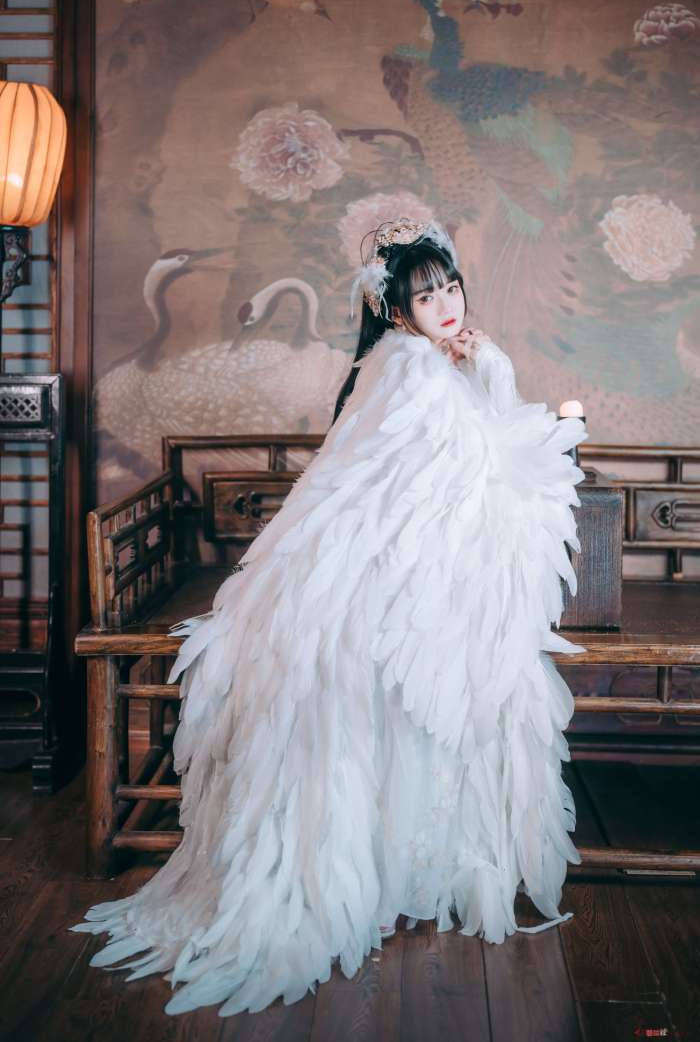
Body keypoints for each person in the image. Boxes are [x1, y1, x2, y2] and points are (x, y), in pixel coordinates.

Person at [69, 216, 588, 1018]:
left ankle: (393, 867)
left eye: (452, 287)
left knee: (418, 675)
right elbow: (472, 470)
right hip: (390, 559)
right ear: (396, 309)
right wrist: (508, 385)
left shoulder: (405, 361)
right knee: (410, 674)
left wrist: (483, 364)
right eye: (428, 296)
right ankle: (385, 868)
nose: (448, 304)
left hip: (395, 553)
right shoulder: (412, 368)